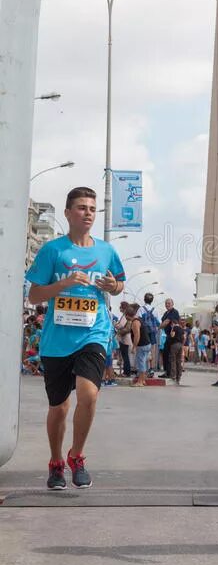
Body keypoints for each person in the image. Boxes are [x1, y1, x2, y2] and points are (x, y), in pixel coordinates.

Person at [25, 186, 125, 489]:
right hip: (57, 339)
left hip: (93, 333)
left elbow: (120, 283)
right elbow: (34, 295)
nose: (88, 213)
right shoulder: (53, 251)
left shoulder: (106, 251)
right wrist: (65, 282)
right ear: (68, 213)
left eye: (92, 209)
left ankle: (77, 456)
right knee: (59, 406)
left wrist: (112, 286)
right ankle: (56, 463)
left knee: (88, 394)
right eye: (82, 208)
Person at [127, 304, 152, 387]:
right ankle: (143, 380)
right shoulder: (138, 319)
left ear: (127, 315)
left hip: (142, 345)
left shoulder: (135, 322)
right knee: (143, 363)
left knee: (141, 363)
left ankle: (140, 382)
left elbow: (137, 335)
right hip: (146, 344)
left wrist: (134, 347)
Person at [139, 293, 161, 374]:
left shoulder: (141, 309)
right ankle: (151, 368)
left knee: (143, 351)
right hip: (152, 333)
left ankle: (143, 369)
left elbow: (138, 321)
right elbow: (159, 323)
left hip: (143, 333)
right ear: (152, 300)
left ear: (144, 299)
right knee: (152, 350)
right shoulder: (155, 310)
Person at [159, 298, 180, 379]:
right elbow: (162, 321)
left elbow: (166, 322)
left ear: (172, 304)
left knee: (171, 355)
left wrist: (158, 327)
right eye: (166, 303)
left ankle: (172, 373)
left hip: (174, 336)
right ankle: (167, 372)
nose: (167, 305)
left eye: (169, 303)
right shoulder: (165, 313)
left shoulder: (174, 312)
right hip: (168, 336)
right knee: (165, 354)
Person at [116, 300, 132, 377]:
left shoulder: (125, 316)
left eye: (121, 307)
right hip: (124, 338)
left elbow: (121, 326)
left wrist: (116, 326)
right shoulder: (124, 316)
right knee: (124, 356)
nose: (119, 308)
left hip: (125, 338)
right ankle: (126, 371)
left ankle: (126, 372)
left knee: (125, 356)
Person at [167, 317, 185, 385]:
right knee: (179, 361)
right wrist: (182, 344)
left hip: (174, 345)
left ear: (173, 323)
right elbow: (184, 337)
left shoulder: (174, 328)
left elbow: (172, 336)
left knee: (173, 360)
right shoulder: (181, 328)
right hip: (180, 345)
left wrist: (170, 335)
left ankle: (173, 376)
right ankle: (178, 377)